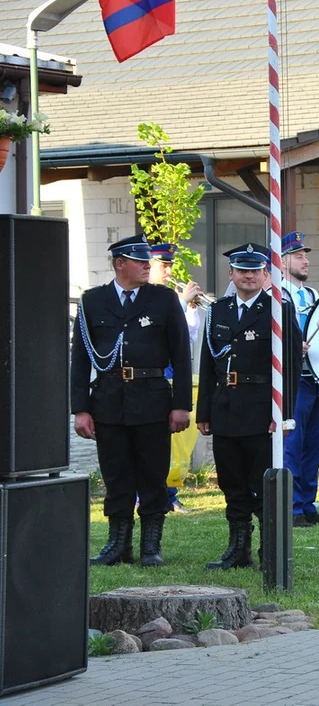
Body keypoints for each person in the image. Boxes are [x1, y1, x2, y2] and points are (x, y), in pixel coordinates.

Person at [71, 234, 192, 567]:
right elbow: (80, 358)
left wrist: (181, 404)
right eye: (140, 261)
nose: (147, 266)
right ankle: (117, 543)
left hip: (152, 399)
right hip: (109, 400)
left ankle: (151, 544)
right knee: (116, 475)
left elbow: (182, 355)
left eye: (147, 261)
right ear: (120, 264)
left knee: (153, 474)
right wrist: (80, 408)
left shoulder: (163, 299)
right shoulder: (93, 301)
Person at [196, 243, 301, 568]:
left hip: (261, 409)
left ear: (266, 275)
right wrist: (203, 412)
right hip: (226, 406)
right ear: (231, 274)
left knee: (261, 481)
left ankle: (268, 549)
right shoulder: (219, 310)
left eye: (255, 270)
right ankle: (238, 547)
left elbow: (292, 366)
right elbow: (208, 362)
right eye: (242, 270)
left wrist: (282, 413)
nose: (248, 275)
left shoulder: (278, 309)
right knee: (231, 480)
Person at [280, 231, 319, 527]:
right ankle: (292, 507)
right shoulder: (278, 294)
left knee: (314, 444)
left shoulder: (313, 296)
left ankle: (307, 502)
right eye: (299, 255)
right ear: (284, 261)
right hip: (293, 380)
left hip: (315, 377)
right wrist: (292, 345)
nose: (306, 260)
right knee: (294, 444)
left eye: (306, 255)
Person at [148, 242, 203, 513]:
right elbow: (158, 331)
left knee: (173, 439)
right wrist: (182, 302)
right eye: (163, 265)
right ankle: (150, 492)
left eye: (170, 265)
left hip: (171, 370)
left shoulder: (169, 295)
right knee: (153, 437)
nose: (168, 270)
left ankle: (169, 492)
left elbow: (187, 338)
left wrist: (191, 307)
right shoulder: (150, 297)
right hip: (153, 373)